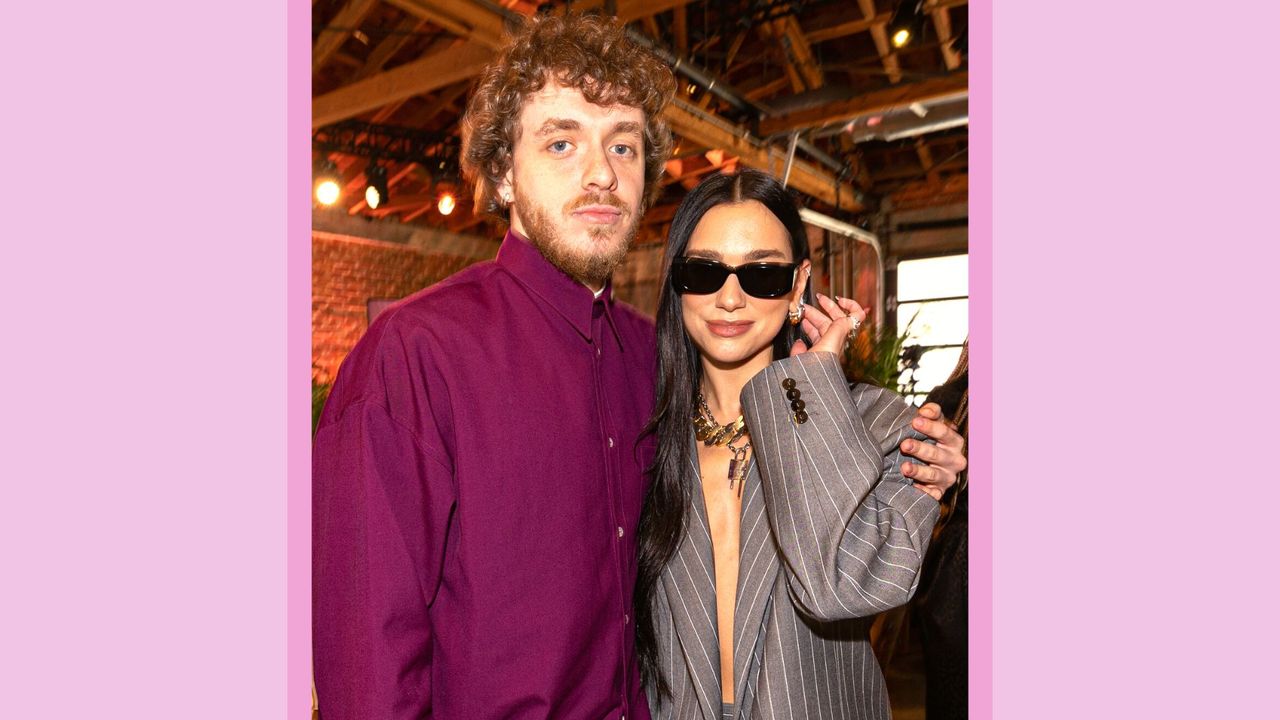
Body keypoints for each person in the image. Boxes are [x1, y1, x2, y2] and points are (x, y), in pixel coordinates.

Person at [312, 13, 964, 720]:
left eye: (623, 146)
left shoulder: (647, 362)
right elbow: (367, 660)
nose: (600, 173)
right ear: (502, 172)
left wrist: (924, 450)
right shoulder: (416, 355)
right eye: (561, 141)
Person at [634, 169, 957, 720]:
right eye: (705, 271)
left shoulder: (879, 427)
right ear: (678, 282)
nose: (730, 299)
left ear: (798, 282)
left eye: (762, 274)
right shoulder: (644, 441)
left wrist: (813, 378)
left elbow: (841, 587)